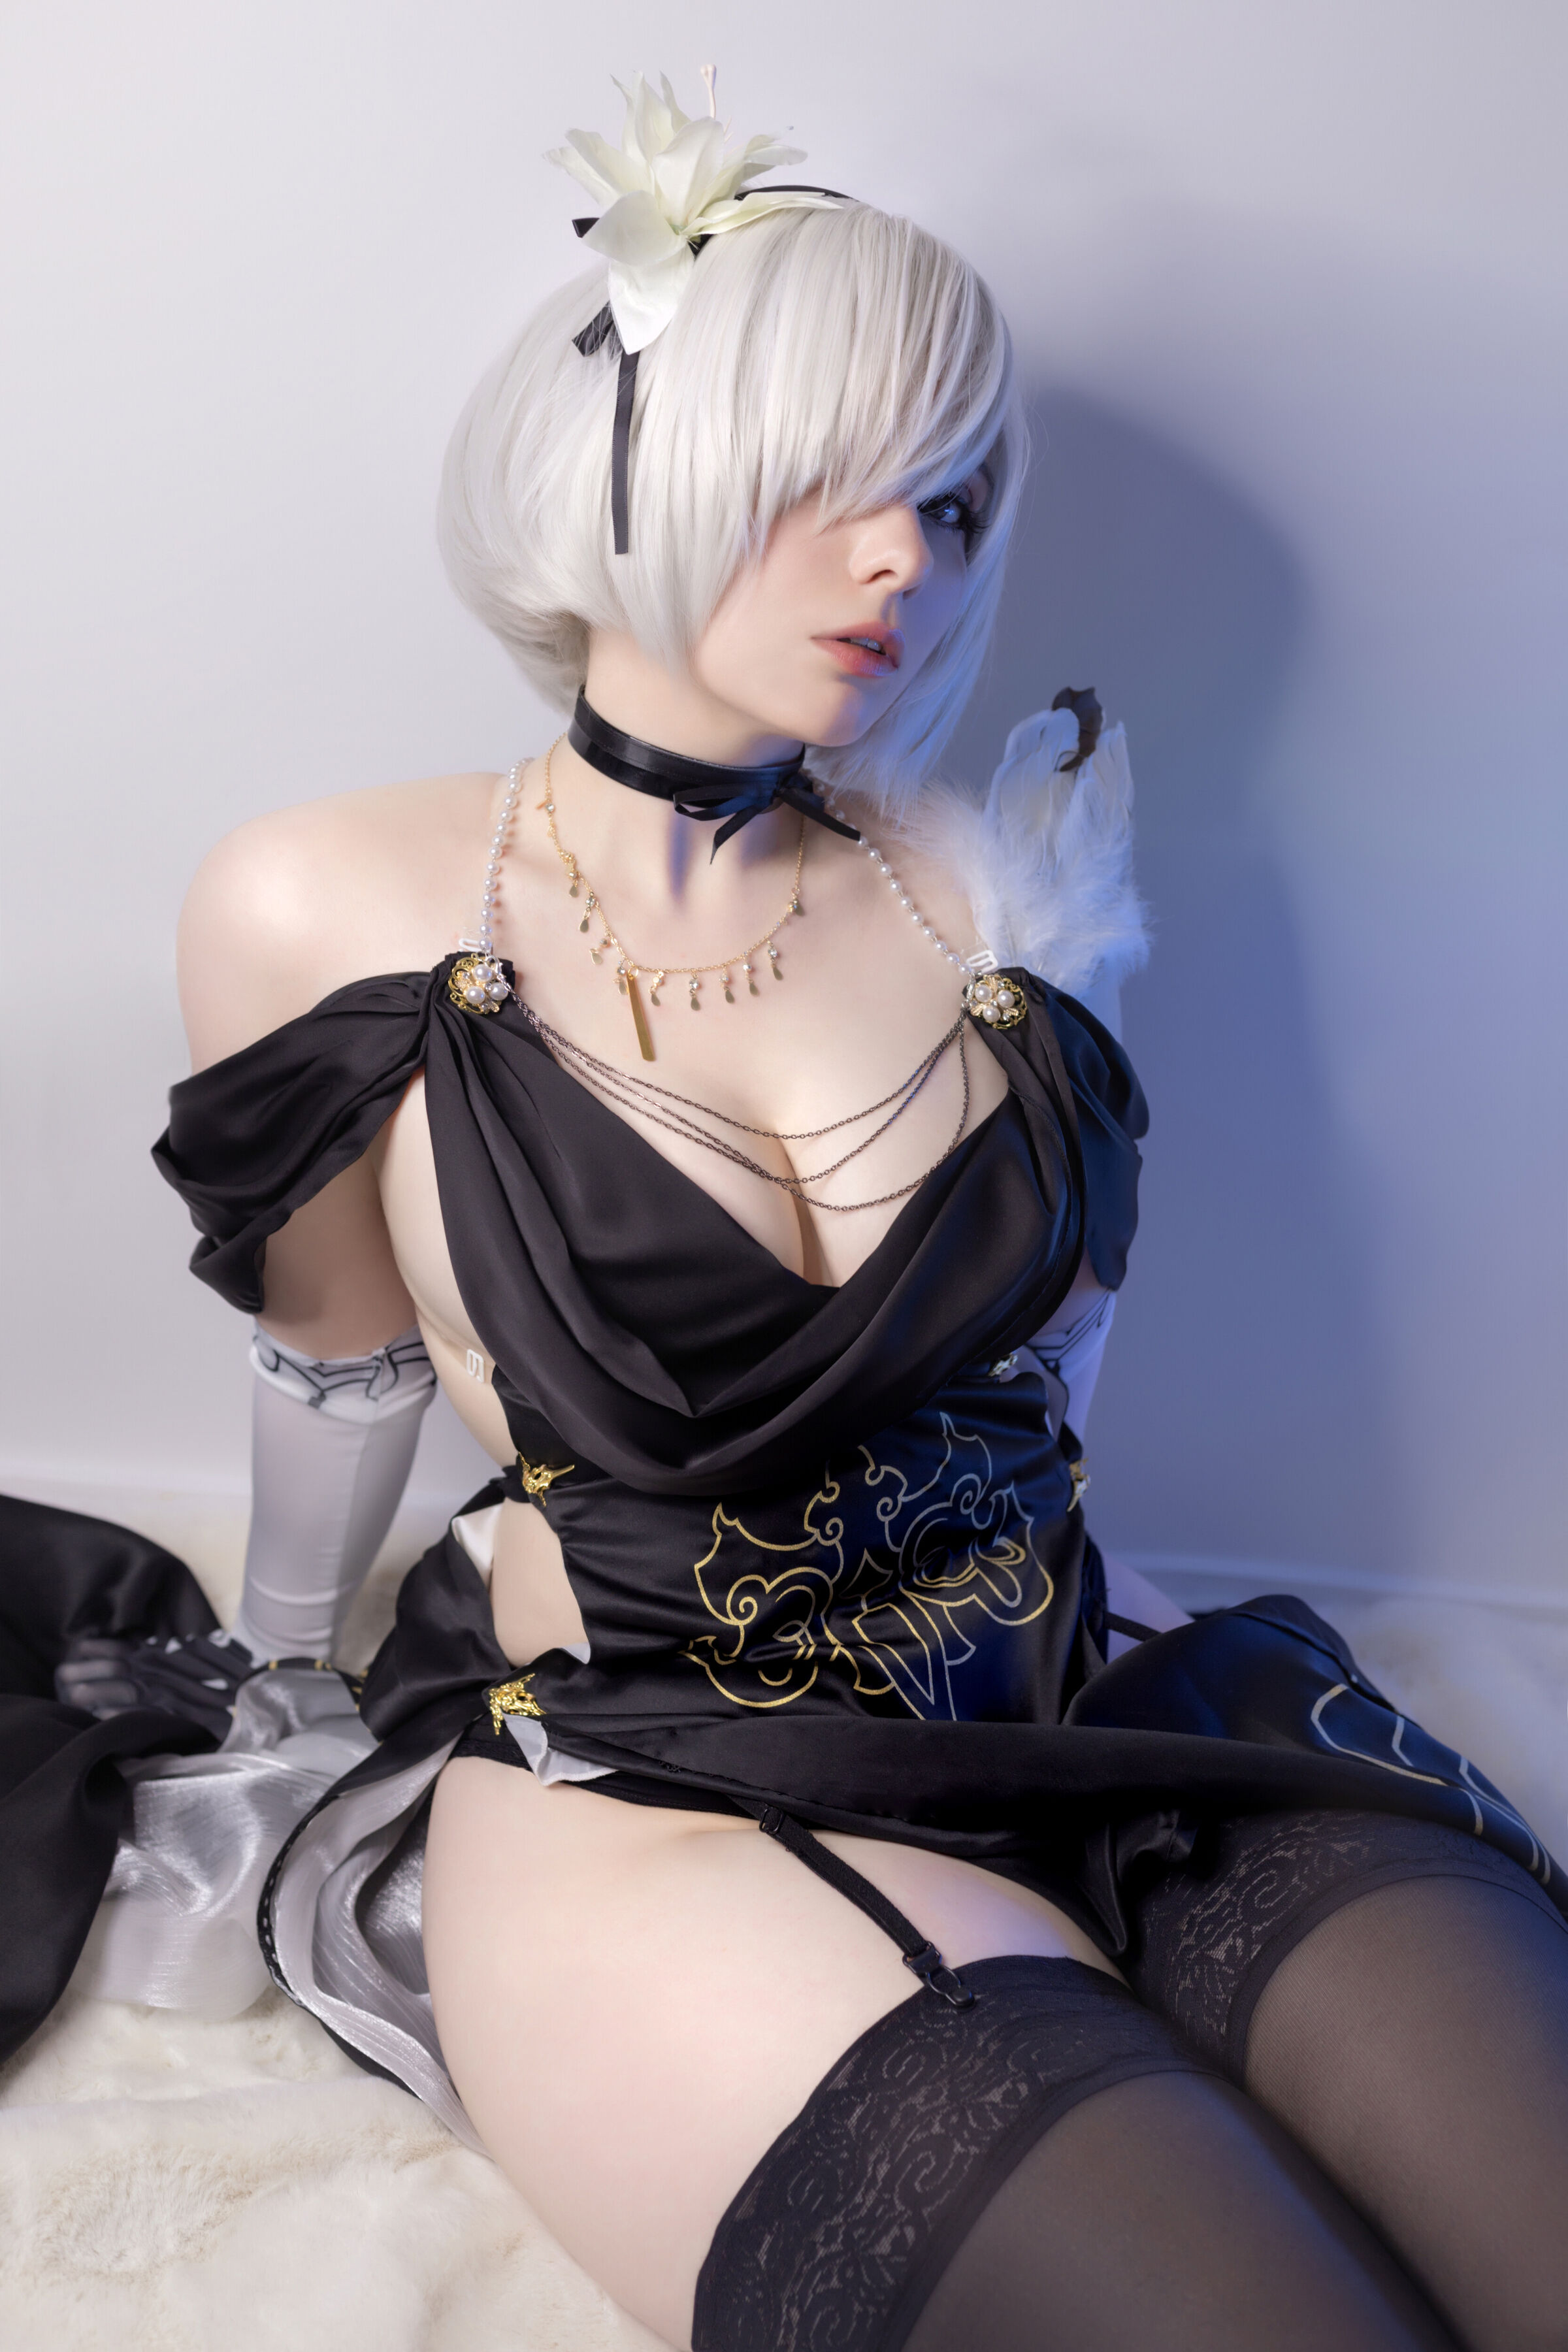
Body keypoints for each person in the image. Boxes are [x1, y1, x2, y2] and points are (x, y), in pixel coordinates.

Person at [20, 70, 1568, 2352]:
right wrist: (284, 1677)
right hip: (661, 1773)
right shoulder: (326, 902)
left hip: (1090, 1685)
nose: (907, 561)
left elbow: (1056, 1373)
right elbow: (336, 1360)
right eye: (832, 478)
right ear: (638, 457)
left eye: (952, 501)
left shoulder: (994, 884)